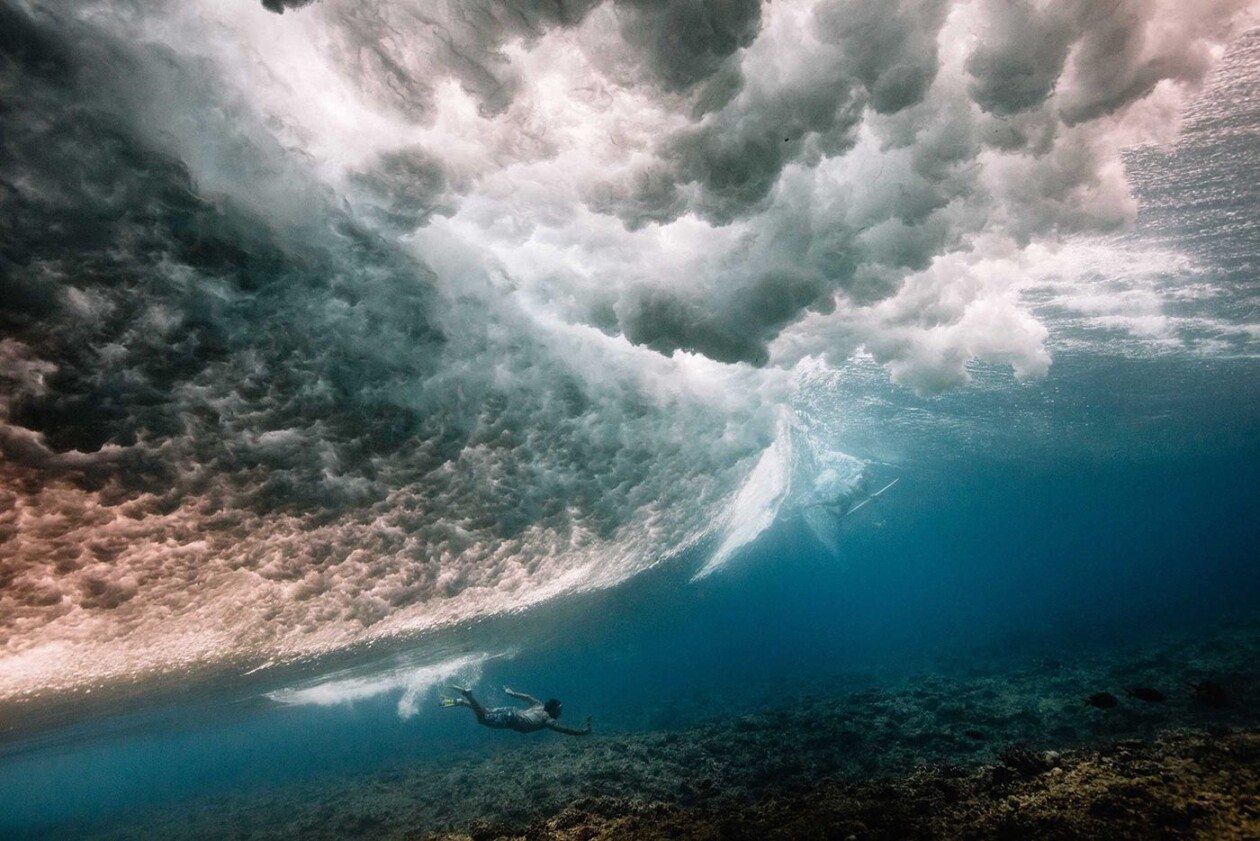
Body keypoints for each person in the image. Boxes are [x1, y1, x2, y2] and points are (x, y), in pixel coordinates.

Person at [441, 684, 592, 736]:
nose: (560, 712)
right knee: (482, 719)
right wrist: (582, 732)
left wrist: (511, 693)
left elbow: (527, 697)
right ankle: (469, 697)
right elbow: (566, 730)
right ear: (554, 710)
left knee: (485, 711)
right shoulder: (549, 720)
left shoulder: (539, 705)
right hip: (512, 719)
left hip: (512, 710)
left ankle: (462, 702)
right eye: (560, 709)